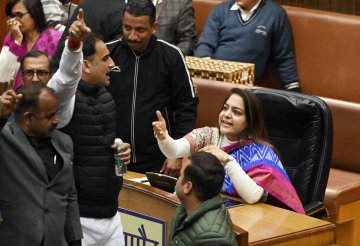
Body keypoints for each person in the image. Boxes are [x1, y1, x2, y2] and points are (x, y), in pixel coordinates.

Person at [153, 88, 305, 214]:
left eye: (237, 112)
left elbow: (253, 197)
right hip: (210, 213)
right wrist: (164, 137)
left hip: (250, 219)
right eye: (225, 108)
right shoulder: (209, 136)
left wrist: (227, 160)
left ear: (250, 121)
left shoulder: (262, 153)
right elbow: (174, 150)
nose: (227, 114)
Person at [52, 32, 131, 245]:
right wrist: (73, 45)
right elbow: (62, 79)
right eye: (105, 59)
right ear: (85, 65)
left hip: (112, 213)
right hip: (78, 218)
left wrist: (122, 153)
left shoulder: (108, 97)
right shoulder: (63, 103)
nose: (112, 64)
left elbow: (105, 149)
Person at [106, 0, 198, 176]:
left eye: (140, 30)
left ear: (154, 27)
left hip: (158, 159)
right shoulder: (107, 53)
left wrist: (177, 153)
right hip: (113, 154)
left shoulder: (171, 55)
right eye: (127, 28)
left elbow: (187, 108)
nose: (132, 36)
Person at [0, 83, 83, 246]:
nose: (56, 120)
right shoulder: (4, 137)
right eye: (49, 116)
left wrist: (75, 240)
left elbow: (69, 196)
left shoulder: (64, 142)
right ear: (29, 117)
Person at [194, 0, 300, 92]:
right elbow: (205, 44)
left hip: (247, 84)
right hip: (215, 78)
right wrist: (207, 70)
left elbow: (284, 57)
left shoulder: (275, 14)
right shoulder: (220, 10)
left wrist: (294, 90)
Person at [169, 152, 238, 245]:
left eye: (180, 176)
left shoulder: (212, 238)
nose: (178, 179)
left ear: (188, 187)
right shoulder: (185, 208)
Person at [0, 0, 62, 90]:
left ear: (35, 13)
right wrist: (17, 41)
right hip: (18, 98)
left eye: (19, 15)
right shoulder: (11, 38)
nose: (14, 21)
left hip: (47, 96)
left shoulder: (56, 38)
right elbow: (3, 75)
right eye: (12, 16)